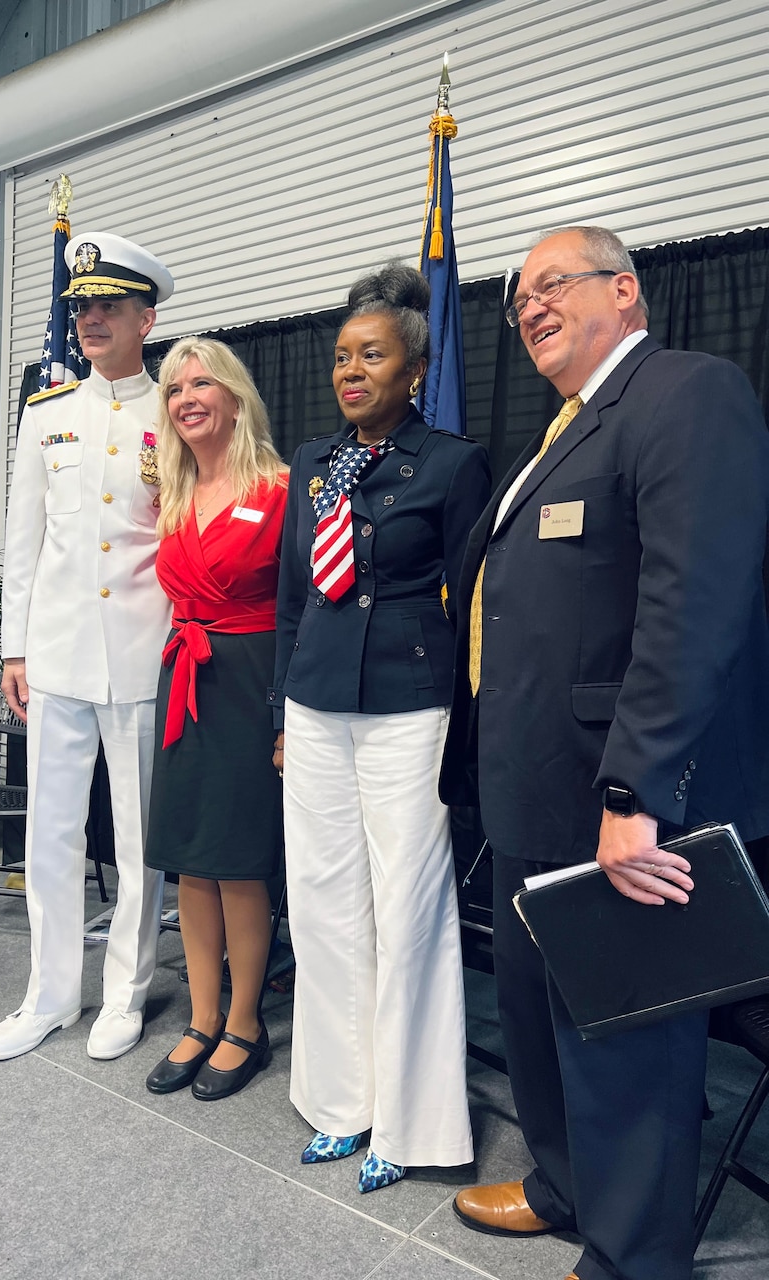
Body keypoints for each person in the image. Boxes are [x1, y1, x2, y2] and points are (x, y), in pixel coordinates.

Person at [441, 225, 769, 1280]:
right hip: (535, 791)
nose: (528, 306)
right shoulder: (563, 432)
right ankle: (565, 1185)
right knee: (539, 1014)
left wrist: (637, 786)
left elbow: (692, 606)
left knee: (624, 1036)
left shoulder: (685, 394)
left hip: (622, 796)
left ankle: (633, 1256)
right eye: (517, 298)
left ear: (623, 291)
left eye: (551, 284)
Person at [272, 264, 491, 1192]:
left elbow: (480, 598)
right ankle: (340, 1102)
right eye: (341, 357)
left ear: (414, 368)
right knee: (322, 905)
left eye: (372, 355)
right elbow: (291, 598)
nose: (350, 371)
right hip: (316, 700)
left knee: (407, 908)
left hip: (411, 701)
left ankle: (410, 1120)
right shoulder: (315, 463)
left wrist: (470, 723)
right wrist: (283, 708)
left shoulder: (453, 462)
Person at [0, 232, 175, 1063]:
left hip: (140, 651)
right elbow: (23, 539)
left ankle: (125, 995)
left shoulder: (178, 408)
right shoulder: (47, 415)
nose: (90, 320)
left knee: (136, 838)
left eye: (108, 306)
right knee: (49, 832)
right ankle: (50, 993)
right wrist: (13, 648)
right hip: (56, 655)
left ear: (146, 317)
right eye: (81, 307)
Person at [143, 338, 287, 1101]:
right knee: (191, 858)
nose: (187, 397)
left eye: (202, 382)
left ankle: (244, 1024)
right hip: (186, 678)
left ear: (235, 396)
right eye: (173, 387)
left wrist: (287, 714)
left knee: (238, 862)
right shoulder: (170, 492)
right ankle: (199, 1019)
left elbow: (300, 610)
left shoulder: (283, 488)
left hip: (250, 680)